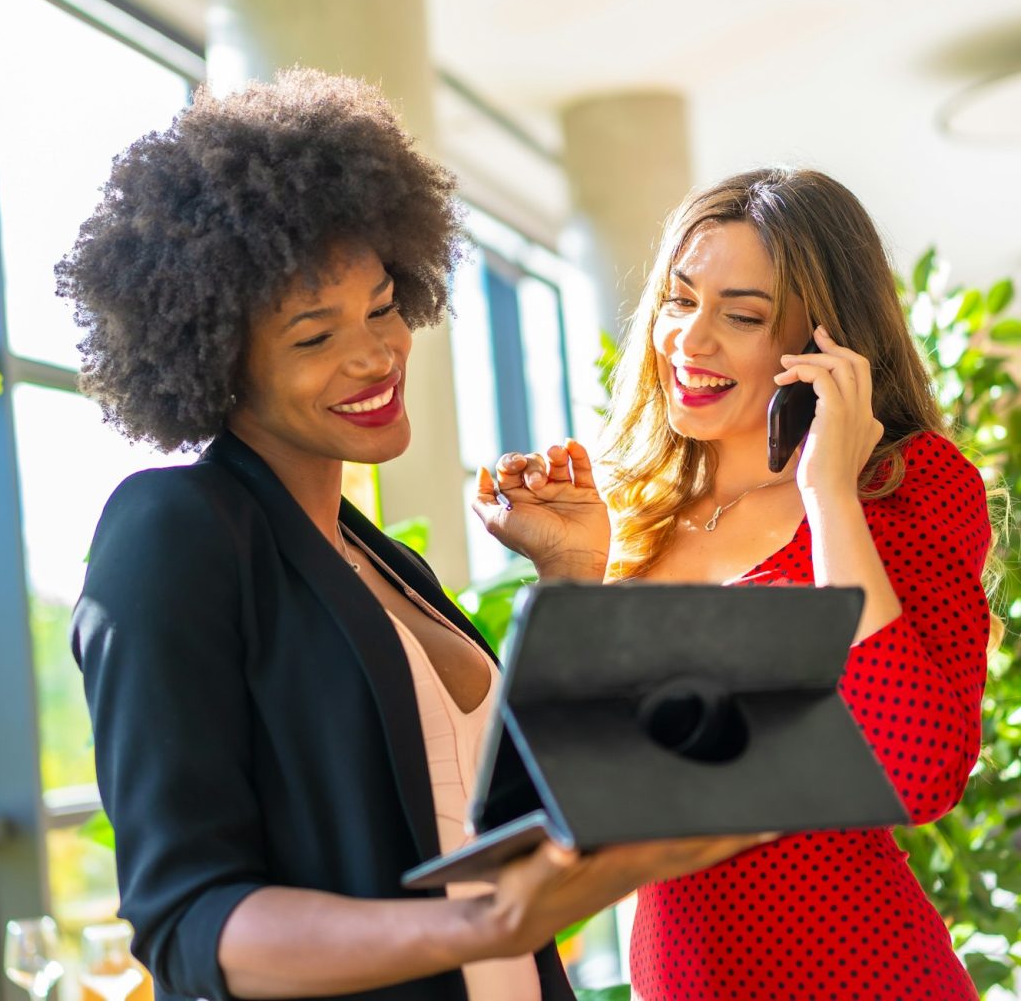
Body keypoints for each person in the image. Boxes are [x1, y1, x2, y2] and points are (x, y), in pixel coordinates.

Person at [60, 68, 767, 1001]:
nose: (373, 354)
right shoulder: (174, 531)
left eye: (384, 306)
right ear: (213, 357)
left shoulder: (384, 562)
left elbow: (521, 823)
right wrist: (488, 920)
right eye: (314, 336)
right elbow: (191, 926)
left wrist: (568, 575)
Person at [475, 168, 992, 1000]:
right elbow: (573, 813)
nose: (690, 340)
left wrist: (828, 495)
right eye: (680, 301)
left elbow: (917, 770)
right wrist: (574, 574)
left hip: (862, 976)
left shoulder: (903, 485)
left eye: (742, 316)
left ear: (822, 343)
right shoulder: (629, 508)